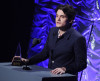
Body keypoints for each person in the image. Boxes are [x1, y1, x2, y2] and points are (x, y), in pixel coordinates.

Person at [12, 4, 87, 77]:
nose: (58, 19)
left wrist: (65, 69)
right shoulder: (52, 31)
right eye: (57, 16)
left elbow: (81, 64)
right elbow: (45, 53)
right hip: (50, 75)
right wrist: (28, 61)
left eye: (62, 17)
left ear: (70, 20)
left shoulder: (78, 38)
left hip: (65, 77)